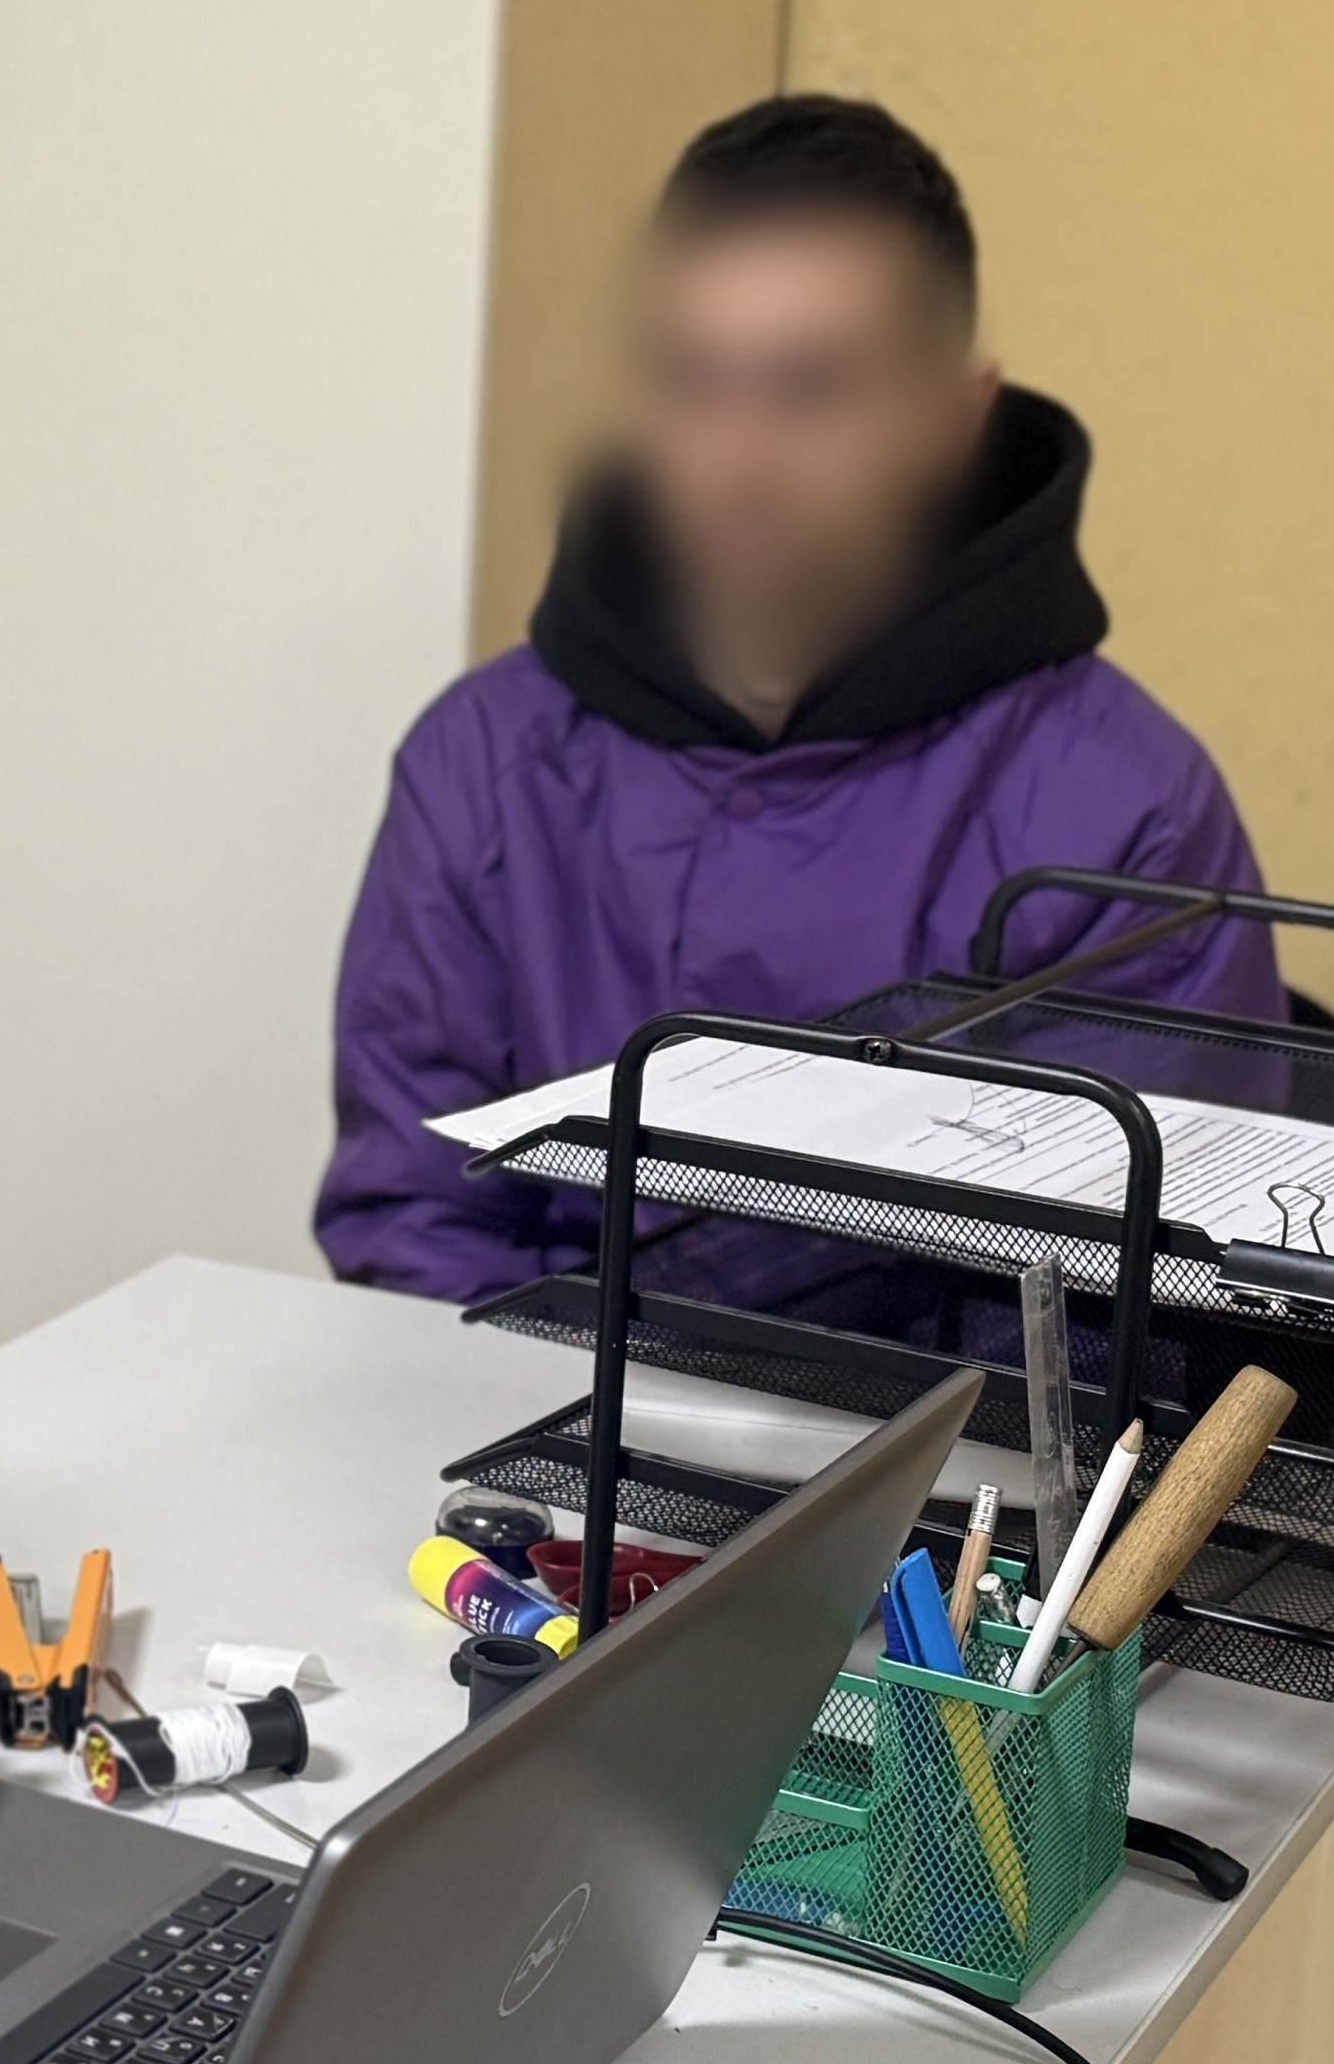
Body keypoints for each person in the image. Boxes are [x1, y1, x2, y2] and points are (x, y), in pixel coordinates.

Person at [317, 95, 1280, 1305]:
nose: (738, 461)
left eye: (812, 389)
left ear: (953, 418)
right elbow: (416, 1222)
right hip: (542, 1413)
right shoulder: (482, 760)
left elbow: (1136, 1305)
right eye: (690, 382)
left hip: (964, 1431)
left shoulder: (1127, 809)